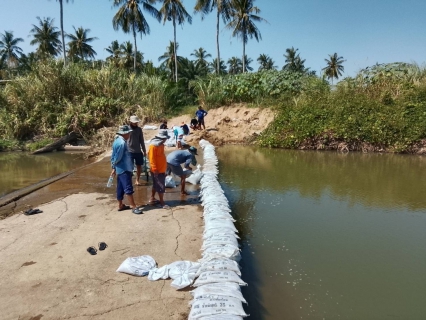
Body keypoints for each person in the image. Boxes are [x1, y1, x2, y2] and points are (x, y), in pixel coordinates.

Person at [110, 125, 143, 214]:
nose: (129, 135)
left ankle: (120, 205)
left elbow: (112, 155)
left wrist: (113, 167)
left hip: (119, 169)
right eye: (129, 133)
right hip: (124, 168)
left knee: (120, 187)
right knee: (128, 187)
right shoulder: (122, 143)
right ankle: (133, 206)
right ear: (125, 134)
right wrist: (114, 165)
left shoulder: (116, 141)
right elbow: (117, 157)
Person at [148, 129, 170, 209]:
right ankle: (162, 202)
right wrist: (154, 169)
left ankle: (152, 197)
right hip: (157, 170)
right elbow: (151, 158)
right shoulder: (153, 146)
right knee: (161, 186)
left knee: (155, 184)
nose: (165, 140)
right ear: (161, 138)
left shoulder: (161, 144)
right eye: (165, 138)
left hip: (161, 169)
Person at [128, 115, 146, 186]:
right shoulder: (128, 129)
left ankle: (137, 180)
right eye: (134, 122)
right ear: (131, 122)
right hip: (129, 151)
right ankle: (129, 180)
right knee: (130, 167)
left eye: (136, 122)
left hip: (138, 151)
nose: (135, 123)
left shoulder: (139, 129)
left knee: (139, 166)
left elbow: (141, 140)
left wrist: (144, 150)